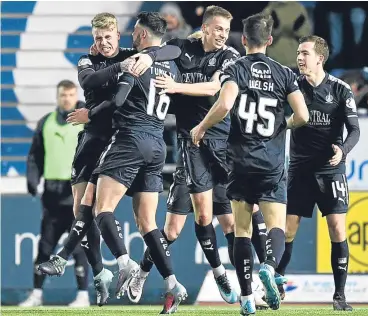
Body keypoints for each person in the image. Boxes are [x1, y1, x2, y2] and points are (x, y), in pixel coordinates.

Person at [128, 5, 268, 307]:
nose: (223, 35)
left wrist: (177, 86)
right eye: (217, 29)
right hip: (190, 145)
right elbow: (159, 51)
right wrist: (146, 56)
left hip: (222, 146)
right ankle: (146, 273)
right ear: (204, 28)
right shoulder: (182, 47)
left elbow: (215, 88)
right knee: (176, 228)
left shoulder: (230, 56)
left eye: (226, 30)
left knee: (231, 222)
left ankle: (255, 279)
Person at [38, 12, 181, 306]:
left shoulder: (136, 55)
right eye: (98, 38)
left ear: (119, 35)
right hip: (94, 141)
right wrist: (122, 65)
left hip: (122, 140)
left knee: (99, 207)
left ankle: (72, 260)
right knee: (83, 209)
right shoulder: (89, 60)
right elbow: (90, 81)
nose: (103, 43)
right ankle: (99, 272)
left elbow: (172, 48)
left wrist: (150, 57)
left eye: (107, 37)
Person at [191, 13, 309, 315]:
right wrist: (286, 124)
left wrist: (202, 127)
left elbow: (226, 104)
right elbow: (304, 116)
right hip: (271, 163)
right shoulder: (284, 73)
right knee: (275, 227)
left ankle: (245, 300)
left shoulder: (235, 68)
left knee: (242, 231)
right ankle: (269, 267)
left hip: (241, 163)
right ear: (269, 40)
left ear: (243, 40)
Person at [86, 12, 187, 314]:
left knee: (100, 208)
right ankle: (172, 283)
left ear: (142, 35)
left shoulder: (135, 62)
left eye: (134, 33)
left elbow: (118, 101)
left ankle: (124, 263)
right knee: (147, 224)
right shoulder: (171, 64)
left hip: (130, 136)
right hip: (158, 144)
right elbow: (176, 48)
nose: (130, 37)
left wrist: (91, 111)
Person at [275, 35, 360, 311]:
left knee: (337, 228)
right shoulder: (292, 85)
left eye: (305, 53)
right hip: (299, 170)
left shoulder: (340, 89)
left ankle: (339, 296)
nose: (299, 58)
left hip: (330, 170)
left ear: (320, 58)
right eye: (299, 53)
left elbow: (355, 130)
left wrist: (343, 151)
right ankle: (277, 284)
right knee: (288, 230)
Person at [20, 80, 90, 307]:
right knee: (45, 246)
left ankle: (82, 295)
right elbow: (34, 156)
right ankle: (37, 294)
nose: (67, 99)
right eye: (63, 95)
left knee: (78, 246)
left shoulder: (86, 120)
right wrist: (32, 181)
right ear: (57, 97)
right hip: (52, 194)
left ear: (75, 95)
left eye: (70, 95)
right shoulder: (46, 122)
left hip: (77, 193)